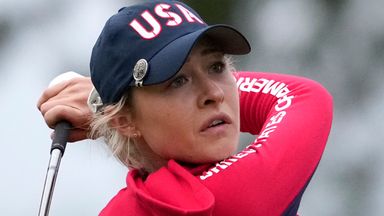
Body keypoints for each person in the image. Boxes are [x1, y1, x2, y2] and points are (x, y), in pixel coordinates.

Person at [37, 1, 333, 215]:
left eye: (217, 66)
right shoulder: (234, 194)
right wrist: (100, 99)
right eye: (177, 80)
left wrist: (113, 103)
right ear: (124, 121)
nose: (214, 93)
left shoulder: (124, 208)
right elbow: (303, 97)